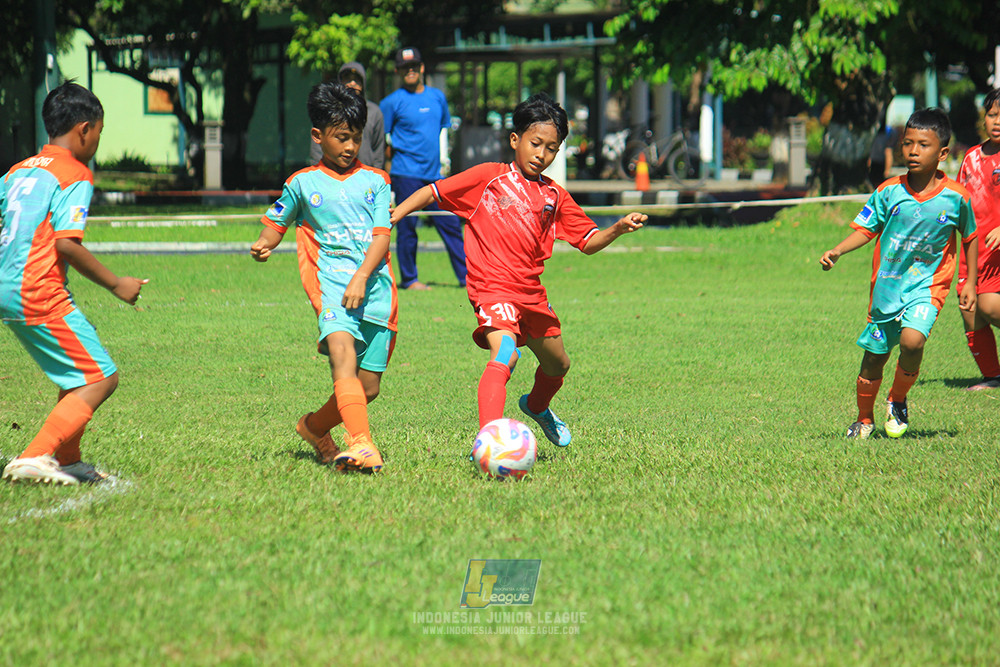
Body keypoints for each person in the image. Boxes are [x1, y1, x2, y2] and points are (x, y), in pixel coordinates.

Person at [389, 93, 646, 445]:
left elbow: (587, 242)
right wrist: (396, 214)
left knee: (559, 365)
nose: (541, 154)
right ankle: (488, 441)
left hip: (531, 293)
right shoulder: (488, 179)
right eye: (536, 143)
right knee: (506, 354)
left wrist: (616, 228)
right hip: (492, 289)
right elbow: (432, 191)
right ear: (516, 140)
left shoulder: (555, 195)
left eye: (552, 149)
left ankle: (537, 406)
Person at [1, 81, 147, 485]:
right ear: (85, 129)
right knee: (101, 377)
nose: (98, 141)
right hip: (39, 290)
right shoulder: (75, 173)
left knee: (78, 372)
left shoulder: (18, 170)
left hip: (9, 287)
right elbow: (66, 242)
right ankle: (34, 456)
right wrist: (117, 284)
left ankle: (68, 458)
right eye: (99, 132)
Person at [251, 81, 395, 473]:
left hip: (377, 291)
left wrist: (363, 276)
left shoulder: (377, 182)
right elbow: (276, 221)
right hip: (331, 288)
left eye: (355, 138)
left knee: (367, 388)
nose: (350, 147)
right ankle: (361, 443)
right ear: (318, 136)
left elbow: (382, 236)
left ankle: (314, 428)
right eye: (341, 138)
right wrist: (265, 242)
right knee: (342, 359)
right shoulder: (302, 183)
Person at [820, 107, 977, 439]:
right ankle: (864, 420)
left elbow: (970, 237)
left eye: (923, 145)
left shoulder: (956, 198)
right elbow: (866, 229)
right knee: (874, 358)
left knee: (912, 340)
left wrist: (971, 283)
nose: (913, 151)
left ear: (943, 153)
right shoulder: (888, 191)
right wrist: (838, 250)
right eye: (908, 144)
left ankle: (898, 398)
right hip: (887, 289)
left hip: (927, 287)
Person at [380, 46, 467, 290]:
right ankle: (410, 279)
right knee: (408, 228)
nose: (410, 71)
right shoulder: (391, 102)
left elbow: (442, 131)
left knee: (449, 224)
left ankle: (467, 278)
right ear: (398, 71)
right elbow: (383, 139)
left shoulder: (437, 97)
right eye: (405, 67)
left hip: (434, 176)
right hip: (406, 173)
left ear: (421, 68)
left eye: (414, 66)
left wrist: (444, 163)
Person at [956, 89, 1000, 390]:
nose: (997, 121)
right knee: (969, 308)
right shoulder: (970, 157)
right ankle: (993, 376)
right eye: (993, 114)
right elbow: (959, 205)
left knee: (988, 306)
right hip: (974, 252)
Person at [308, 61, 384, 170]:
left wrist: (376, 175)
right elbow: (316, 147)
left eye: (357, 80)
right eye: (347, 79)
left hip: (363, 177)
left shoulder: (374, 112)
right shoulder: (329, 110)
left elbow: (378, 151)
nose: (352, 84)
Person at [867, 118, 897, 187]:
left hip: (879, 162)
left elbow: (888, 151)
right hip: (876, 161)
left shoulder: (887, 131)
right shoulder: (876, 131)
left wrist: (887, 170)